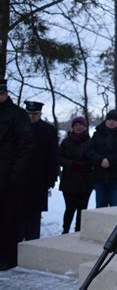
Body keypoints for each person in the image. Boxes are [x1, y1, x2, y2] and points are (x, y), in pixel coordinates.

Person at [0, 80, 34, 270]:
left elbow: (25, 147)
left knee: (8, 220)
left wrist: (15, 174)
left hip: (9, 177)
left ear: (5, 93)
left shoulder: (18, 115)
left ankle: (8, 258)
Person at [22, 100, 59, 241]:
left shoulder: (48, 130)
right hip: (18, 178)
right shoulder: (18, 127)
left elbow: (53, 156)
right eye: (29, 113)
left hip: (39, 179)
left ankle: (31, 243)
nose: (31, 117)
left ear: (40, 114)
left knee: (34, 215)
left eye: (35, 114)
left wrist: (52, 178)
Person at [86, 110, 117, 208]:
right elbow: (89, 151)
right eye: (109, 119)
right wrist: (100, 160)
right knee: (100, 207)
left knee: (114, 207)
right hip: (100, 177)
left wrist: (110, 161)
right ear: (106, 121)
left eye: (114, 120)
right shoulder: (97, 134)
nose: (111, 122)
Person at [58, 116, 93, 234]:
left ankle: (79, 230)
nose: (78, 127)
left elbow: (94, 158)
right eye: (76, 125)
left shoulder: (90, 142)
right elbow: (58, 158)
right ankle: (65, 229)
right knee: (70, 208)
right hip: (69, 181)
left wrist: (84, 164)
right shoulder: (66, 142)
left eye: (81, 125)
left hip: (86, 180)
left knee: (82, 209)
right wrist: (70, 164)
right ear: (72, 127)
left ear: (85, 127)